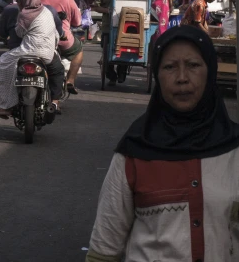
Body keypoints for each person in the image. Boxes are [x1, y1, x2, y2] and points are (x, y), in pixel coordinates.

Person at [85, 26, 239, 262]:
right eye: (169, 67)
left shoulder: (234, 149)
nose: (182, 78)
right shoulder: (135, 151)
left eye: (193, 65)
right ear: (157, 74)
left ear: (210, 70)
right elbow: (104, 249)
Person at [0, 0, 63, 119]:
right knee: (58, 70)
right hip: (48, 54)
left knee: (4, 63)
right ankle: (55, 101)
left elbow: (20, 33)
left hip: (29, 51)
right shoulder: (46, 11)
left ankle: (4, 102)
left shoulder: (24, 14)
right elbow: (56, 33)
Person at [41, 0, 83, 94]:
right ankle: (70, 80)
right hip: (62, 39)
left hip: (40, 37)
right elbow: (77, 21)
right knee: (78, 51)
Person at [90, 0, 126, 84]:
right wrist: (107, 11)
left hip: (125, 27)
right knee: (106, 53)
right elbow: (95, 6)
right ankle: (111, 76)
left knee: (124, 50)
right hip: (107, 26)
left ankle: (122, 71)